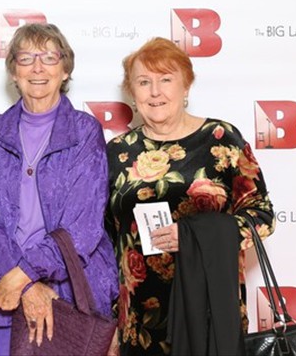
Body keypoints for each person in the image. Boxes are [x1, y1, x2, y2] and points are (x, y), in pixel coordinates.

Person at [105, 37, 275, 355]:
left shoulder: (222, 140)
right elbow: (105, 241)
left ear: (186, 86)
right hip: (139, 321)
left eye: (166, 79)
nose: (155, 92)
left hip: (209, 311)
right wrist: (110, 319)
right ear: (132, 92)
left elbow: (262, 216)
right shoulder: (116, 152)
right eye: (144, 82)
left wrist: (193, 236)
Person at [0, 23, 119, 355]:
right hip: (7, 290)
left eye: (49, 57)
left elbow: (82, 227)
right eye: (26, 58)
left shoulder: (84, 131)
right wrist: (23, 285)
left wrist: (25, 274)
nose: (38, 68)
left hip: (69, 296)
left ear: (65, 70)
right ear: (13, 71)